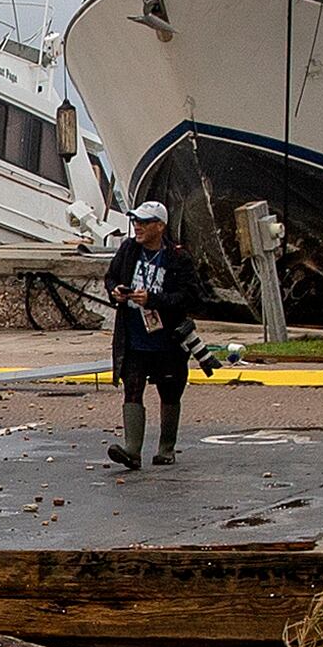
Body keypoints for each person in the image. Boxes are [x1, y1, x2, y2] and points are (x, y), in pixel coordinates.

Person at [105, 199, 194, 469]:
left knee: (170, 391)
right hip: (133, 337)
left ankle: (166, 447)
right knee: (132, 389)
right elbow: (110, 277)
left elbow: (190, 296)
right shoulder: (128, 250)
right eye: (135, 222)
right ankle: (132, 449)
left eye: (144, 222)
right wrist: (116, 291)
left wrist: (155, 299)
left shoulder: (178, 257)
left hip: (167, 339)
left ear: (160, 226)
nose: (137, 227)